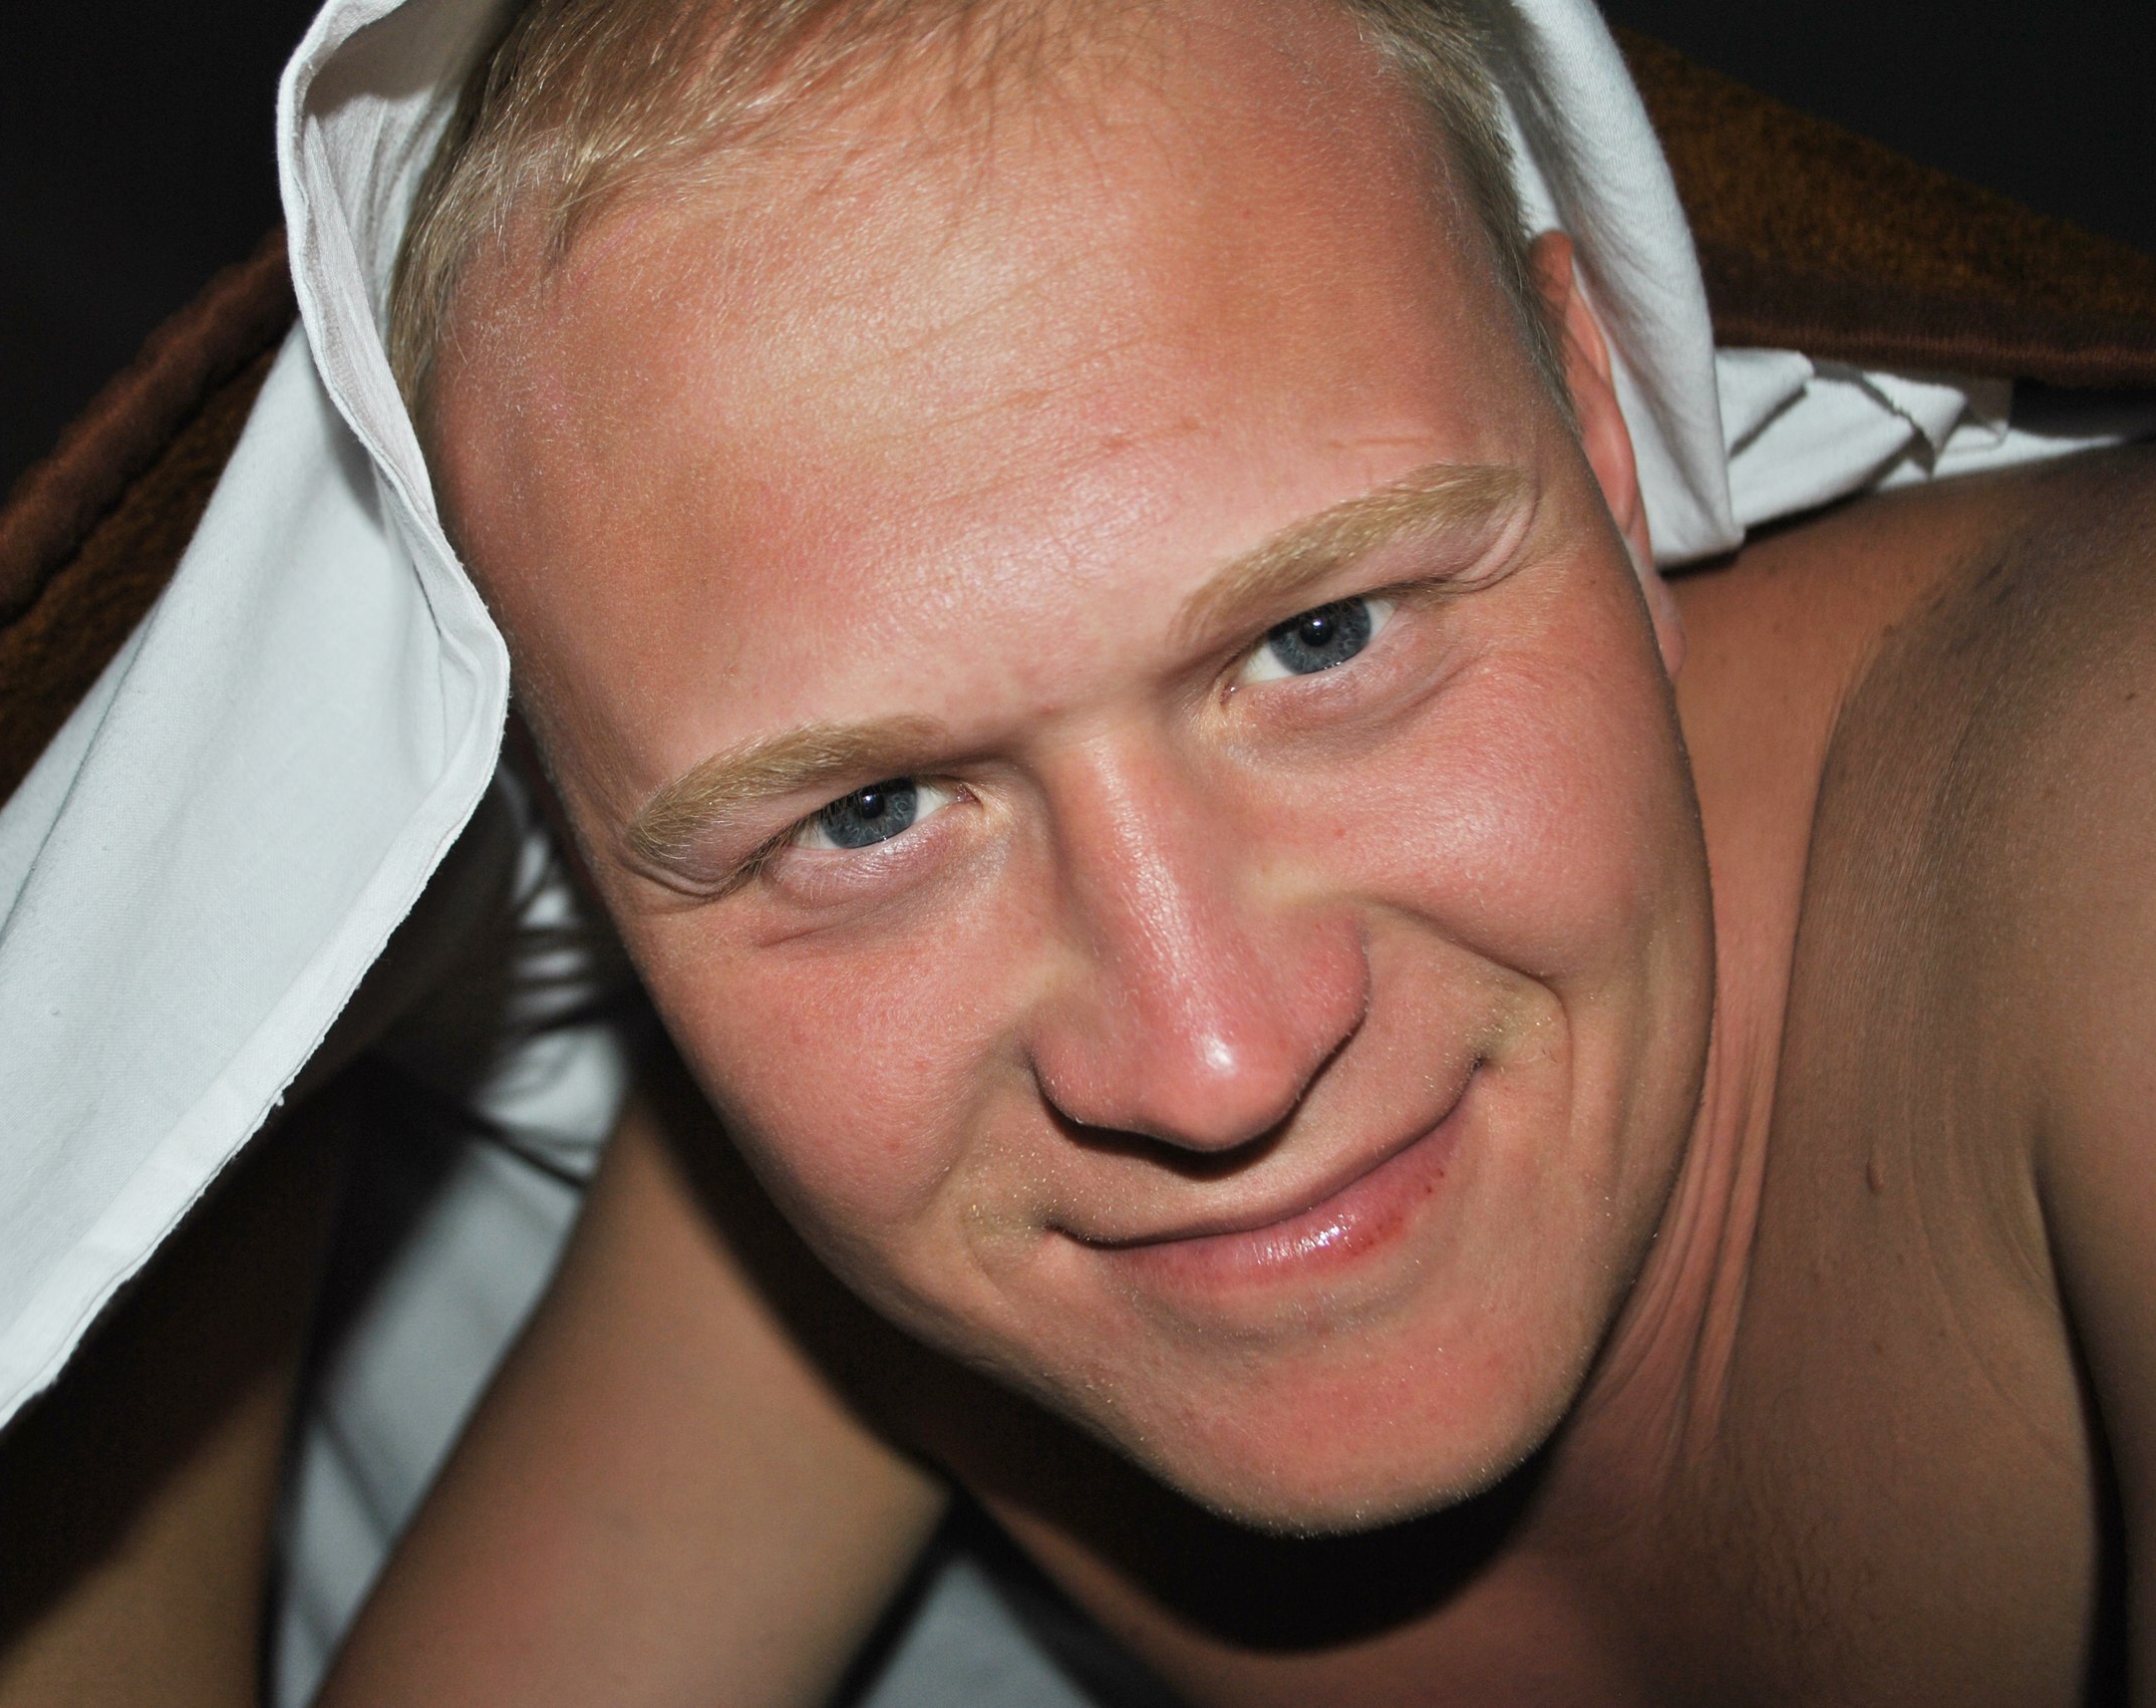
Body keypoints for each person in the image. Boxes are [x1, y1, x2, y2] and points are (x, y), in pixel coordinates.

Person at [295, 0, 2156, 1703]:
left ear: (1604, 448)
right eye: (869, 814)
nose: (1215, 1065)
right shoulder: (837, 1203)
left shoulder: (2111, 838)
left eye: (1324, 636)